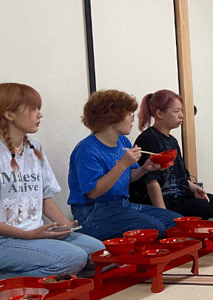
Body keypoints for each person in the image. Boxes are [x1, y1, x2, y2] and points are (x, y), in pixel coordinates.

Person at [0, 83, 103, 278]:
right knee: (72, 259)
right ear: (9, 114)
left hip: (35, 235)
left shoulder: (34, 146)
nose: (40, 114)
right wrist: (28, 235)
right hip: (6, 240)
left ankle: (58, 275)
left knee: (100, 252)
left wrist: (66, 226)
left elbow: (44, 197)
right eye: (33, 109)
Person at [68, 90, 181, 241]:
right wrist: (122, 165)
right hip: (91, 211)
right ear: (112, 117)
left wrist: (144, 169)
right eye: (129, 115)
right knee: (155, 229)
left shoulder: (123, 142)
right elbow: (93, 192)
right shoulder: (86, 149)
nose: (132, 119)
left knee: (176, 222)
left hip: (121, 205)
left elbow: (128, 178)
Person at [130, 90, 213, 219]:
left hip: (180, 195)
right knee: (203, 209)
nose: (181, 115)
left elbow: (180, 175)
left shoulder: (172, 141)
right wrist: (163, 214)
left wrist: (194, 188)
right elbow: (151, 182)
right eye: (176, 111)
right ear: (160, 114)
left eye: (181, 111)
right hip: (164, 200)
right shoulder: (148, 139)